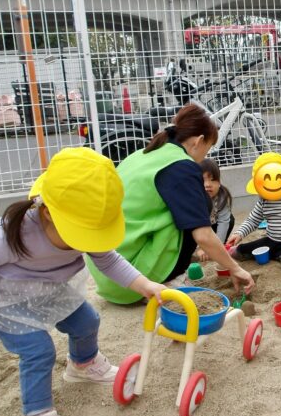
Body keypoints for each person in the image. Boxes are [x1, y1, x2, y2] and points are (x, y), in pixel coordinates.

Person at [0, 147, 166, 416]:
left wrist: (145, 285)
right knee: (38, 349)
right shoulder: (16, 232)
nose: (89, 240)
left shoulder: (85, 224)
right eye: (82, 233)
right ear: (49, 213)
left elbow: (108, 259)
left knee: (87, 321)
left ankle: (83, 364)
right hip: (5, 299)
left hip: (48, 288)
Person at [88, 104, 254, 304]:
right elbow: (202, 235)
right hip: (131, 279)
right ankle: (171, 281)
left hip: (105, 271)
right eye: (208, 148)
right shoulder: (181, 166)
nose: (205, 156)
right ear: (198, 141)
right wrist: (235, 268)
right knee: (195, 211)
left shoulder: (143, 154)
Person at [194, 158, 235, 262]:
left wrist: (217, 248)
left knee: (230, 219)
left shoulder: (222, 197)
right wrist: (200, 248)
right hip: (198, 228)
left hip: (214, 226)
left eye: (212, 179)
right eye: (203, 180)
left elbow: (223, 223)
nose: (208, 184)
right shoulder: (194, 198)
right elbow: (193, 227)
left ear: (219, 182)